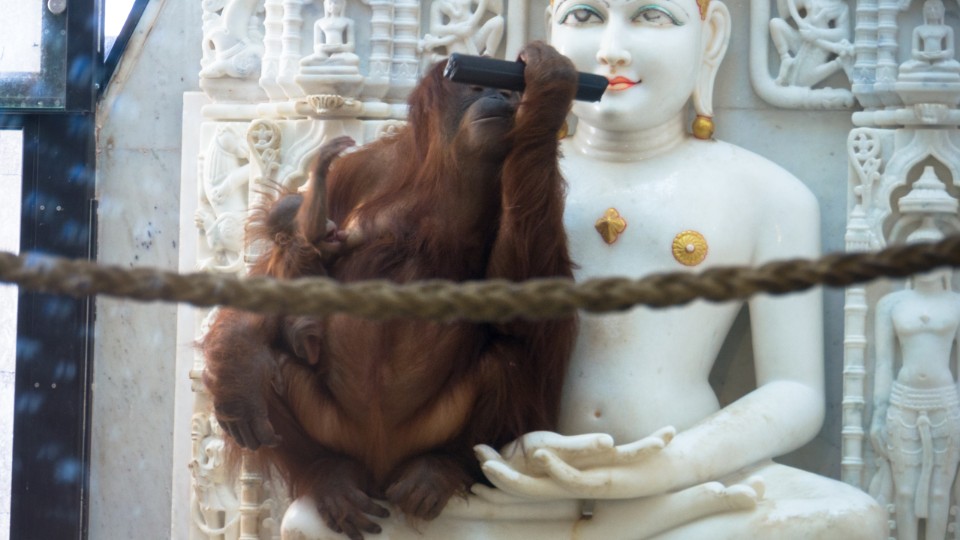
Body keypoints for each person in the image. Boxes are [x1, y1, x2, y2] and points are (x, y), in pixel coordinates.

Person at [282, 0, 887, 537]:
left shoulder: (767, 194)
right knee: (310, 525)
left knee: (852, 519)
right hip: (501, 481)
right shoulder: (483, 170)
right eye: (584, 16)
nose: (612, 48)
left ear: (712, 37)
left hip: (680, 486)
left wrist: (664, 466)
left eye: (652, 16)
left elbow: (795, 393)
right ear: (548, 37)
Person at [870, 219, 960, 540]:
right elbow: (883, 363)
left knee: (939, 492)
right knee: (905, 491)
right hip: (902, 402)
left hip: (946, 404)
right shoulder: (891, 305)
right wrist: (878, 414)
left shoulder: (957, 304)